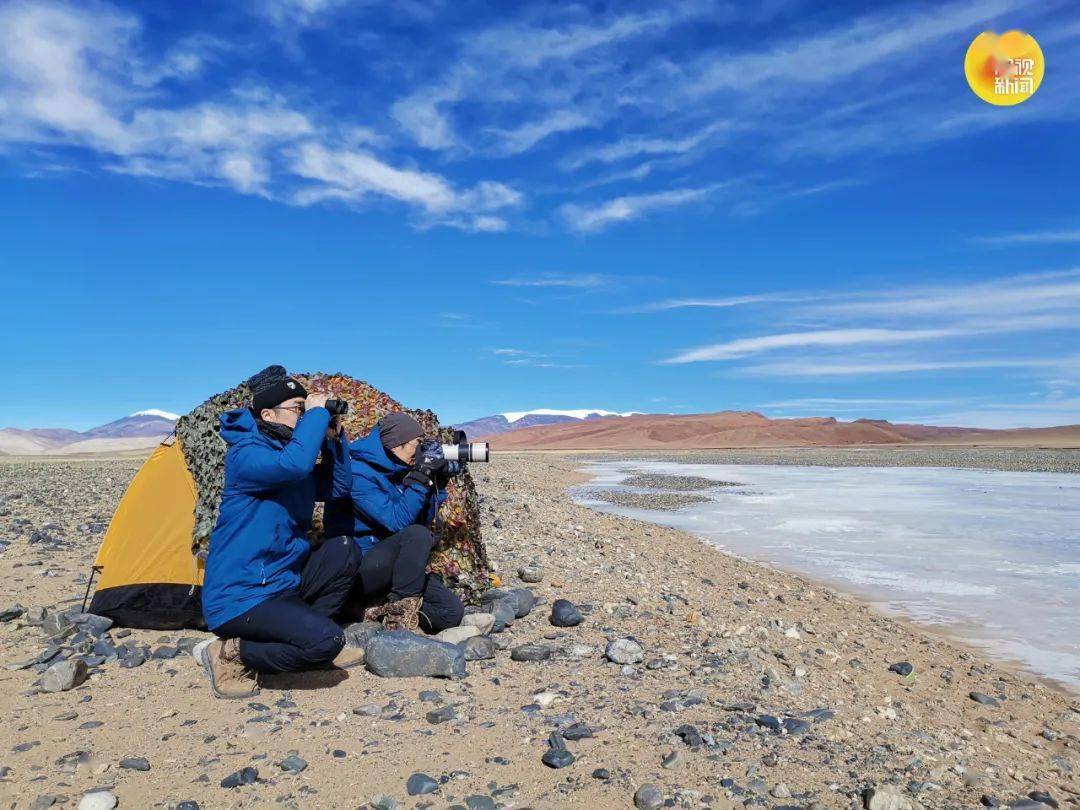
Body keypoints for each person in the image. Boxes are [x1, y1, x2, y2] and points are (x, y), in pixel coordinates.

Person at [194, 376, 363, 699]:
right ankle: (231, 652)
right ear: (267, 415)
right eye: (298, 409)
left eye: (305, 409)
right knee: (326, 642)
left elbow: (338, 488)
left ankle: (313, 636)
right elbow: (295, 466)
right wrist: (315, 415)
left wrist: (333, 439)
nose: (304, 415)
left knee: (344, 551)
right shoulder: (247, 455)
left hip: (282, 584)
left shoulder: (285, 455)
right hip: (240, 596)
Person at [324, 412, 464, 634]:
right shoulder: (357, 473)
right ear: (396, 443)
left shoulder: (401, 470)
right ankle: (398, 619)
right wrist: (421, 474)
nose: (419, 451)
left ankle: (372, 609)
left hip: (393, 568)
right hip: (358, 568)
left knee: (450, 612)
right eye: (417, 444)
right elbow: (398, 522)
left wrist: (437, 481)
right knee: (416, 535)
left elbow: (420, 520)